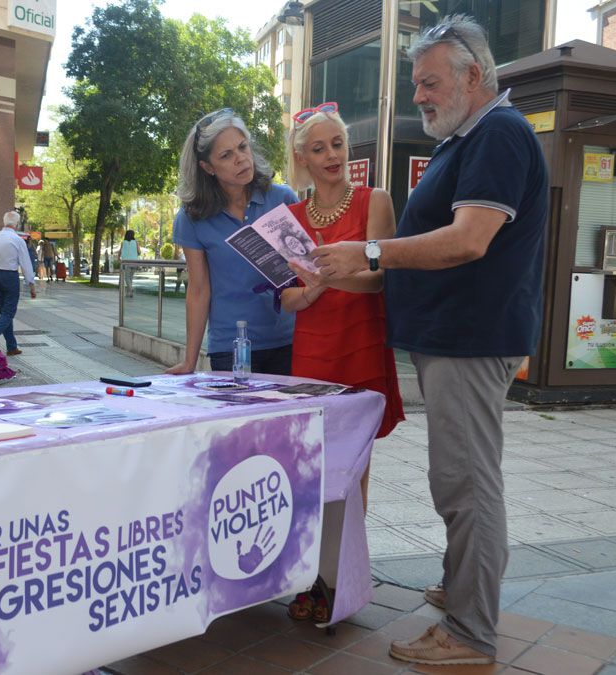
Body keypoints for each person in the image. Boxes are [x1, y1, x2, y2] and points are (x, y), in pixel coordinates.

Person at [309, 15, 547, 666]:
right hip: (458, 337)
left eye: (428, 81)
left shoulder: (497, 133)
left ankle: (471, 633)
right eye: (416, 83)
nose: (417, 95)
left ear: (474, 75)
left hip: (471, 338)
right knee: (461, 478)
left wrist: (371, 250)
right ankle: (461, 587)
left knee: (465, 482)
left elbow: (470, 239)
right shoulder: (473, 135)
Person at [278, 101, 406, 625]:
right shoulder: (288, 218)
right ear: (301, 158)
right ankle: (313, 574)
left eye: (338, 146)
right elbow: (286, 297)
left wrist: (327, 277)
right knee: (311, 470)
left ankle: (336, 582)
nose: (332, 156)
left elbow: (382, 278)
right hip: (311, 347)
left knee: (353, 470)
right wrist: (311, 290)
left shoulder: (376, 201)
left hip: (360, 341)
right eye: (319, 148)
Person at [167, 108, 299, 374]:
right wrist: (189, 362)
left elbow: (304, 267)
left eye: (242, 147)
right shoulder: (192, 217)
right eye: (226, 155)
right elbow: (198, 289)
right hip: (231, 350)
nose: (241, 159)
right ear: (207, 167)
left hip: (291, 341)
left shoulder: (282, 199)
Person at [0, 211, 37, 356]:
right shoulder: (18, 240)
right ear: (16, 224)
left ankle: (11, 346)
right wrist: (31, 283)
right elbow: (25, 263)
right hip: (10, 276)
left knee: (4, 313)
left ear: (4, 222)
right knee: (8, 313)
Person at [118, 230, 140, 298]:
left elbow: (120, 252)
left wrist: (118, 258)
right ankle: (129, 293)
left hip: (126, 262)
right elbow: (139, 252)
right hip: (135, 262)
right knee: (130, 278)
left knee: (127, 278)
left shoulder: (123, 243)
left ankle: (131, 289)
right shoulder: (136, 242)